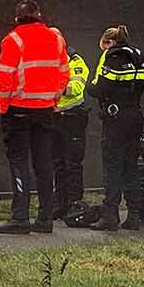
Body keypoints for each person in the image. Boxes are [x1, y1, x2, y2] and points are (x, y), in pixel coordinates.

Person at [0, 0, 71, 234]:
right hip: (46, 110)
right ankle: (45, 218)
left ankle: (20, 218)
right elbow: (64, 74)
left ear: (17, 18)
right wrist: (54, 100)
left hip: (18, 109)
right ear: (39, 15)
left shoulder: (12, 40)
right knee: (44, 162)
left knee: (19, 163)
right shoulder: (55, 39)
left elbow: (4, 78)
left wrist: (3, 107)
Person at [89, 25, 144, 232]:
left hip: (116, 118)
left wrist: (85, 85)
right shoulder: (138, 60)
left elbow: (100, 90)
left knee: (112, 167)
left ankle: (110, 216)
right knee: (131, 166)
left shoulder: (113, 59)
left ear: (109, 43)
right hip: (135, 115)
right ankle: (134, 215)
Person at [54, 48, 90, 220]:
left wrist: (52, 87)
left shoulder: (76, 63)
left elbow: (75, 88)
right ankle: (59, 204)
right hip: (53, 116)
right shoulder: (50, 61)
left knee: (72, 163)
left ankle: (74, 204)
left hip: (72, 117)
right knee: (57, 163)